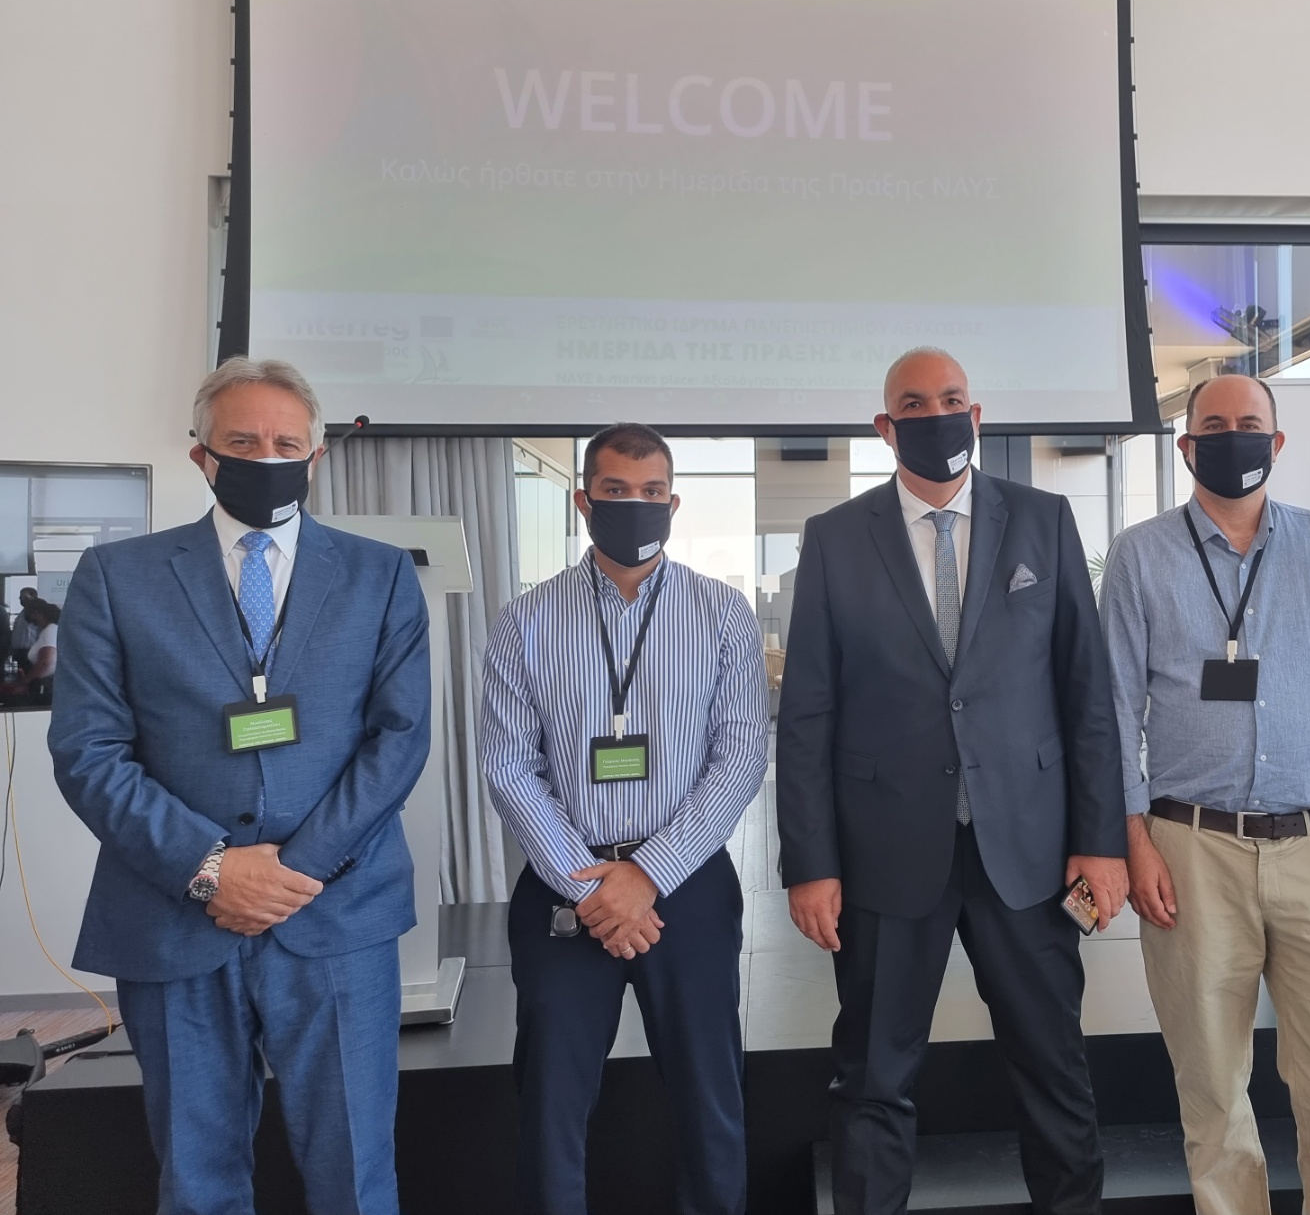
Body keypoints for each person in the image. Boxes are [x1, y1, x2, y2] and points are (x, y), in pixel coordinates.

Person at [49, 357, 432, 1215]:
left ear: (316, 456)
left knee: (356, 1176)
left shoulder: (379, 575)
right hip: (174, 916)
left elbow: (400, 739)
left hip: (336, 914)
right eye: (244, 442)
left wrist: (293, 872)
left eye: (287, 444)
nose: (268, 457)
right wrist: (213, 869)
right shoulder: (116, 577)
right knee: (197, 1179)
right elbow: (87, 751)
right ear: (203, 456)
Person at [778, 347, 1128, 1215]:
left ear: (976, 415)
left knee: (1054, 1066)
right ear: (884, 426)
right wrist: (810, 864)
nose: (935, 415)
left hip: (1028, 853)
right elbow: (808, 714)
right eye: (913, 403)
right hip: (886, 855)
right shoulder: (835, 538)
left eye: (951, 399)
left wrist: (1101, 842)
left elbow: (1086, 695)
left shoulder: (1044, 520)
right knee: (872, 1077)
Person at [1101, 373, 1310, 1215]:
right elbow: (1112, 711)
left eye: (1249, 424)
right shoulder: (1141, 555)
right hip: (1189, 846)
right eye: (1214, 425)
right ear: (1186, 446)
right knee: (1212, 1081)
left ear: (1276, 443)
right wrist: (1133, 842)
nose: (1232, 437)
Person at [481, 422, 767, 1215]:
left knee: (710, 1096)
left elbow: (741, 756)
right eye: (615, 491)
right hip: (565, 888)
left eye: (651, 492)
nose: (634, 504)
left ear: (672, 504)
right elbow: (510, 768)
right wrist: (593, 888)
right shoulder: (526, 621)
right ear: (584, 501)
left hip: (688, 886)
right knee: (551, 1103)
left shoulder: (722, 614)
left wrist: (646, 875)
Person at [22, 599, 58, 700]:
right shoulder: (51, 629)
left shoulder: (50, 630)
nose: (33, 623)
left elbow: (46, 661)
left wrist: (26, 680)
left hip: (46, 683)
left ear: (36, 613)